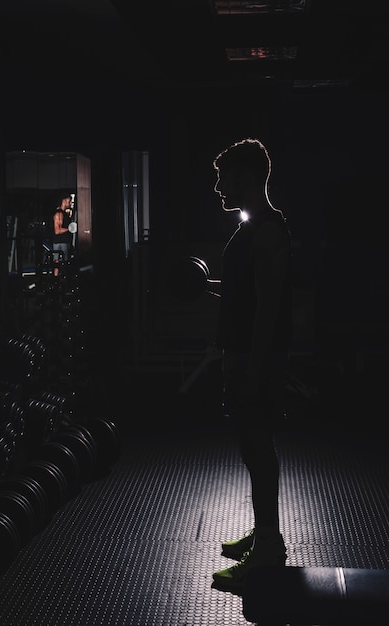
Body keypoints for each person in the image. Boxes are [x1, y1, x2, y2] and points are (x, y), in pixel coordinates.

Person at [211, 138, 293, 592]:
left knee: (259, 449)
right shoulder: (250, 228)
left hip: (254, 359)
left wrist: (256, 371)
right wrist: (208, 286)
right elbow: (246, 292)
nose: (219, 186)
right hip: (243, 356)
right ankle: (264, 534)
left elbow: (268, 307)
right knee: (252, 448)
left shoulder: (266, 230)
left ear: (246, 176)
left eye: (224, 176)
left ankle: (268, 548)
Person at [52, 193, 74, 276]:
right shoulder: (59, 214)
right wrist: (70, 229)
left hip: (64, 241)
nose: (71, 202)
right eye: (69, 200)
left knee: (62, 262)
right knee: (60, 262)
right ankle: (57, 280)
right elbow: (57, 231)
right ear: (64, 201)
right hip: (60, 242)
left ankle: (60, 279)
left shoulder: (64, 213)